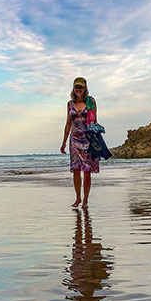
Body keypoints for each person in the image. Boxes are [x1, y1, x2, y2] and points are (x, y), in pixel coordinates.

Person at [60, 77, 99, 207]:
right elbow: (68, 123)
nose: (78, 89)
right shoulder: (70, 104)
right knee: (76, 169)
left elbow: (94, 120)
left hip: (87, 139)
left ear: (85, 88)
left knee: (87, 170)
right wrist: (64, 142)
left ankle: (86, 200)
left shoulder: (91, 101)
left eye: (81, 87)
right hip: (74, 139)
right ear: (73, 88)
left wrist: (95, 140)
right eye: (76, 87)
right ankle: (78, 198)